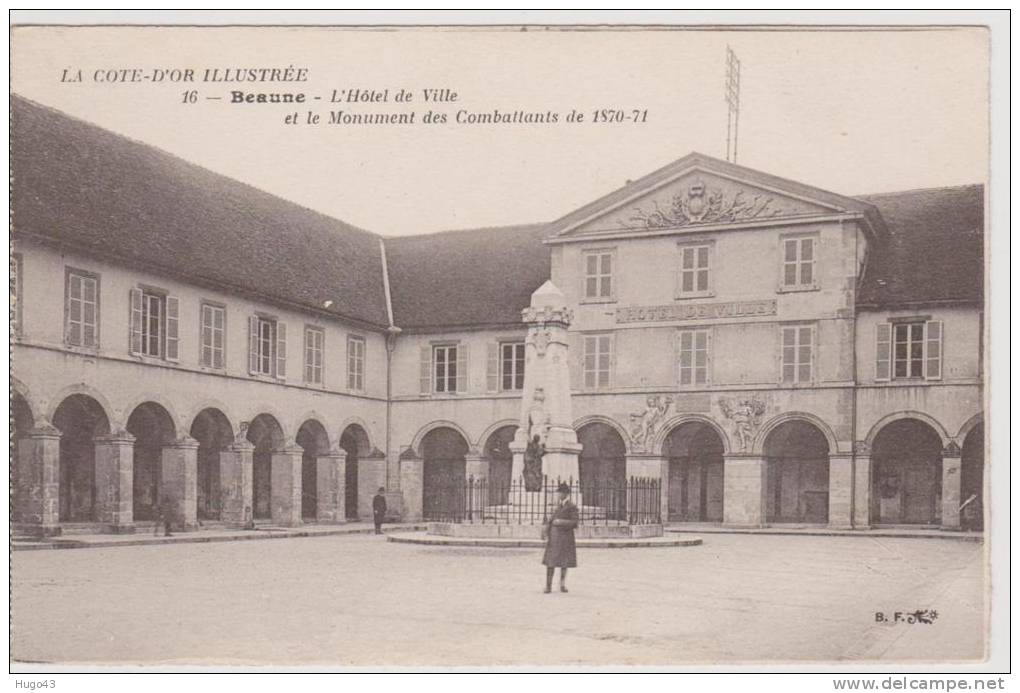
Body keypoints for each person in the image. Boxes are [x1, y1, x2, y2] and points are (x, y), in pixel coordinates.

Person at [541, 482, 578, 593]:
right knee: (550, 562)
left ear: (566, 494)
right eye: (559, 493)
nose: (559, 495)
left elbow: (575, 522)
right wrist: (546, 530)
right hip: (554, 538)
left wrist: (561, 522)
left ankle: (562, 584)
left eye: (561, 492)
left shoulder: (572, 506)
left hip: (565, 537)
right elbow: (551, 520)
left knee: (564, 563)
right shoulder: (558, 505)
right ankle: (548, 586)